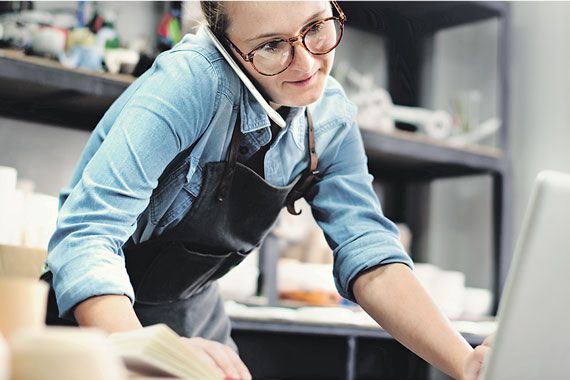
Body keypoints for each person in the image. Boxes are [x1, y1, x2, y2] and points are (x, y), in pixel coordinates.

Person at [42, 1, 490, 379]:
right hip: (95, 317)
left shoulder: (329, 118)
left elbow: (369, 254)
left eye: (316, 28)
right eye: (272, 46)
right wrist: (140, 347)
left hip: (190, 311)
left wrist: (468, 363)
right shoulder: (191, 83)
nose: (309, 63)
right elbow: (87, 234)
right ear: (228, 46)